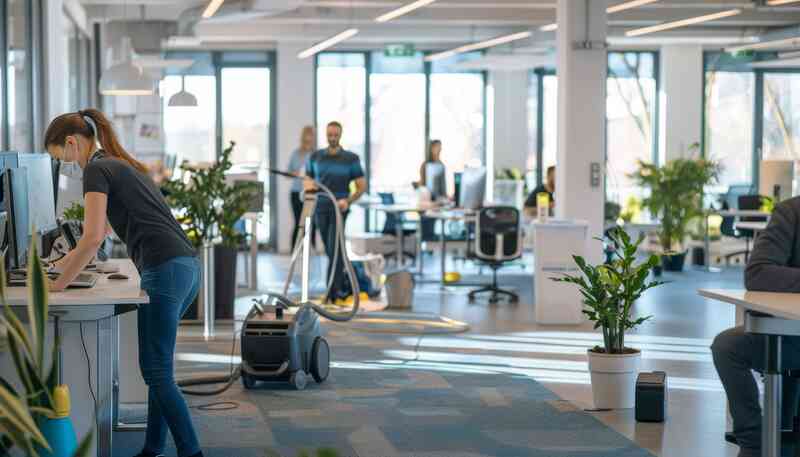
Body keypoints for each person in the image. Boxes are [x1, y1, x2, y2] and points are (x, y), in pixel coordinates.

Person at [44, 109, 203, 457]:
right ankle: (152, 449)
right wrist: (62, 264)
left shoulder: (97, 169)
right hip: (185, 267)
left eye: (63, 159)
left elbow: (92, 238)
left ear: (72, 143)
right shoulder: (116, 163)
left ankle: (193, 453)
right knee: (159, 371)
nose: (68, 167)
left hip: (166, 269)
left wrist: (55, 287)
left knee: (157, 371)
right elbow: (97, 237)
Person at [711, 196, 800, 457]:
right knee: (727, 346)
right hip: (790, 336)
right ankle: (753, 441)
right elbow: (758, 272)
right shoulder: (791, 212)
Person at [305, 121, 366, 303]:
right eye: (329, 135)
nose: (332, 138)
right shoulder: (315, 157)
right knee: (331, 250)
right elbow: (307, 182)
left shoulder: (351, 159)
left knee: (335, 248)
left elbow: (361, 186)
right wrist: (310, 190)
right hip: (321, 208)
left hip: (340, 208)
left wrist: (347, 201)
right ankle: (336, 289)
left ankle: (333, 292)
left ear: (340, 135)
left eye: (335, 135)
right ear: (326, 134)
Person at [288, 125, 316, 249]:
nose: (308, 137)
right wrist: (296, 173)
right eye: (307, 134)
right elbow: (288, 172)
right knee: (299, 223)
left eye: (311, 135)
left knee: (311, 223)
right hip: (296, 192)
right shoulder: (296, 154)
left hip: (311, 192)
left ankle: (311, 249)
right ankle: (294, 249)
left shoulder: (316, 155)